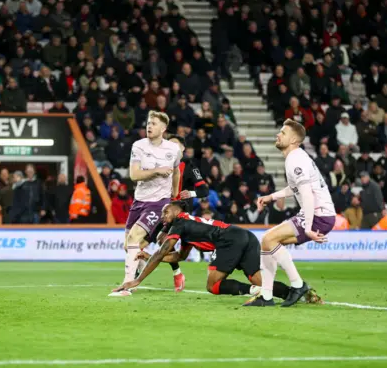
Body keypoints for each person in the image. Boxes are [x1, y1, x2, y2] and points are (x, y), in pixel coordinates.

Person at [113, 201, 293, 304]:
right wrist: (148, 256)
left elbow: (162, 252)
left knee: (213, 285)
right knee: (257, 278)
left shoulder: (180, 222)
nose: (163, 216)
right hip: (245, 236)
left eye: (165, 212)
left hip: (228, 240)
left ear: (178, 210)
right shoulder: (188, 227)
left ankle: (255, 291)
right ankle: (295, 293)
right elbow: (178, 257)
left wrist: (137, 280)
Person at [246, 119, 335, 307]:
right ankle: (267, 297)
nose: (278, 135)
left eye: (283, 133)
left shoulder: (296, 159)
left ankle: (298, 284)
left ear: (294, 140)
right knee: (267, 241)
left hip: (319, 215)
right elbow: (294, 189)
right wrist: (271, 196)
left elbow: (308, 195)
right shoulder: (296, 157)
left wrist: (309, 227)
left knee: (269, 239)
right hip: (318, 214)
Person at [109, 111, 182, 297]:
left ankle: (128, 286)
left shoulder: (173, 150)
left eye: (154, 123)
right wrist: (157, 171)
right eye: (148, 123)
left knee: (134, 238)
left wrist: (174, 195)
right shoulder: (139, 146)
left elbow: (176, 172)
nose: (149, 126)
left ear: (163, 128)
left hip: (159, 203)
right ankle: (140, 270)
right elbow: (134, 175)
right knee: (129, 246)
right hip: (139, 200)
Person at [143, 134, 209, 292]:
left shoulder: (189, 165)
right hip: (163, 210)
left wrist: (191, 193)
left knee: (167, 242)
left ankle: (179, 272)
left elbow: (204, 189)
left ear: (182, 148)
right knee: (158, 241)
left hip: (181, 213)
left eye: (175, 145)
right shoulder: (161, 166)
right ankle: (176, 273)